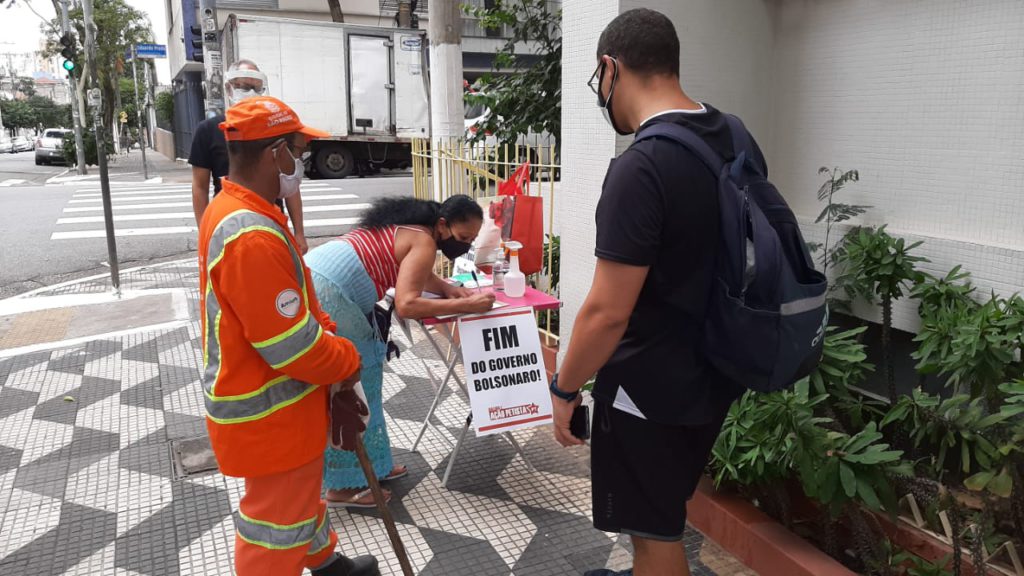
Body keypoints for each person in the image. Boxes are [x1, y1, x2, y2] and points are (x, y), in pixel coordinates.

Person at [549, 9, 753, 576]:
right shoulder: (731, 133)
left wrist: (564, 389)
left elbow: (607, 312)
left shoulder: (642, 166)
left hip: (649, 389)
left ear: (611, 69)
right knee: (665, 507)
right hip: (714, 371)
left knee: (654, 535)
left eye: (598, 80)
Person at [198, 95, 379, 576]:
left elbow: (295, 309)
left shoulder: (239, 210)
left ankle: (327, 565)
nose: (300, 161)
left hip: (275, 406)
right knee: (275, 524)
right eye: (297, 151)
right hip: (269, 411)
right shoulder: (250, 235)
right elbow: (290, 345)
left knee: (300, 500)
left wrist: (330, 338)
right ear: (276, 153)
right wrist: (344, 359)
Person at [305, 195, 496, 507]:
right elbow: (407, 306)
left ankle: (374, 466)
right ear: (443, 225)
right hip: (330, 293)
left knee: (365, 378)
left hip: (318, 276)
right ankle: (344, 485)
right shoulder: (425, 241)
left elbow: (411, 268)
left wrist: (446, 288)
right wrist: (468, 304)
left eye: (472, 240)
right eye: (463, 238)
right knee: (353, 385)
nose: (465, 244)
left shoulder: (414, 227)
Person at [190, 59, 308, 253]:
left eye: (257, 88)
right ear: (229, 89)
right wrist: (205, 234)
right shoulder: (208, 131)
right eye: (244, 87)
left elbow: (290, 183)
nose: (252, 94)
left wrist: (299, 232)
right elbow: (199, 186)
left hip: (272, 218)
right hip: (231, 222)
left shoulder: (273, 126)